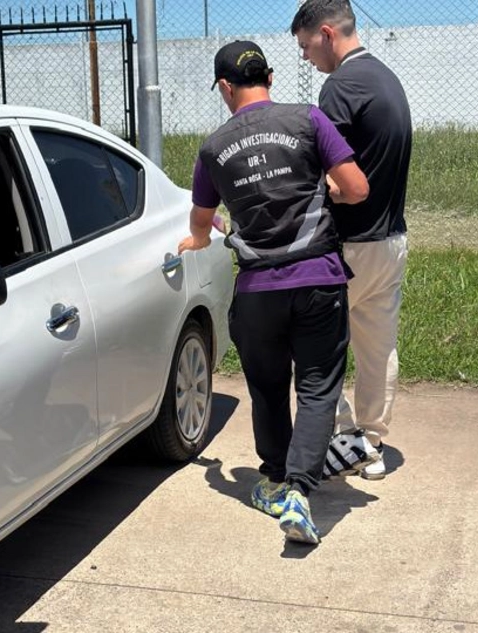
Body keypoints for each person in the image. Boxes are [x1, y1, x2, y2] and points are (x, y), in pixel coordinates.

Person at [178, 40, 369, 544]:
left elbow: (200, 220)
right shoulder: (308, 119)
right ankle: (300, 493)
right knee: (317, 387)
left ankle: (277, 479)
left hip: (257, 289)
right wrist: (325, 191)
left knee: (266, 387)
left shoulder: (214, 147)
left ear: (225, 87)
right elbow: (356, 188)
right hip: (318, 279)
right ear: (269, 77)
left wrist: (199, 237)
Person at [291, 0, 413, 480]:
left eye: (305, 46)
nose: (305, 57)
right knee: (377, 348)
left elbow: (331, 172)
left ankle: (340, 439)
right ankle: (372, 444)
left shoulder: (341, 87)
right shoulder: (386, 79)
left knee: (313, 347)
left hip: (349, 244)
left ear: (326, 34)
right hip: (390, 238)